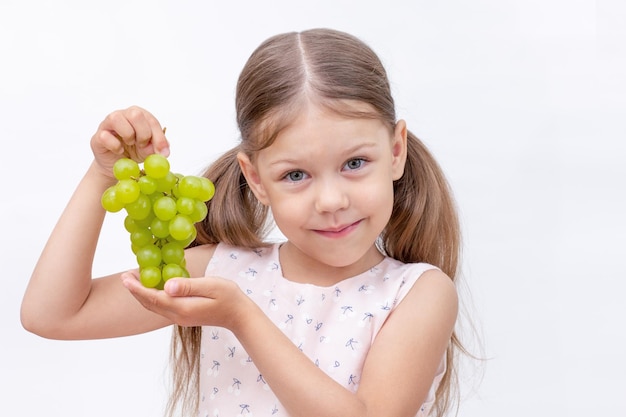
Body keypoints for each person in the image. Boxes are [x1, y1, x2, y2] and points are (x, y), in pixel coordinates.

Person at [21, 28, 465, 417]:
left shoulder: (418, 294)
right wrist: (103, 172)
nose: (331, 200)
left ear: (395, 151)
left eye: (355, 162)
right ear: (255, 179)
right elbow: (52, 315)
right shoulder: (226, 273)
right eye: (296, 175)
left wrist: (241, 318)